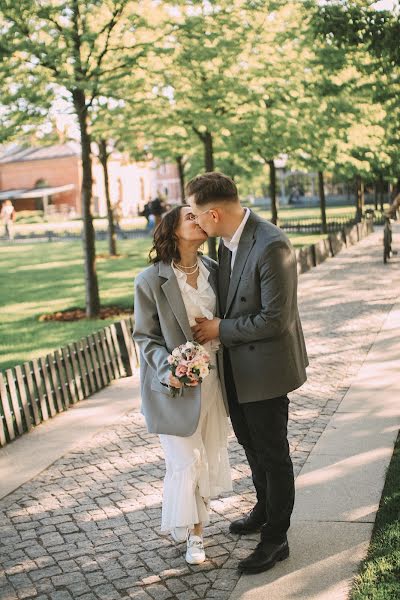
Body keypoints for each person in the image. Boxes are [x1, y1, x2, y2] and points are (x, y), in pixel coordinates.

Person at [188, 172, 308, 575]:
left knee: (273, 454)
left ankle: (277, 539)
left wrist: (219, 329)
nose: (194, 222)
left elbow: (276, 320)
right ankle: (264, 509)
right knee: (252, 447)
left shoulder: (272, 245)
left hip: (266, 372)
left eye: (196, 215)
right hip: (235, 371)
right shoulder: (225, 243)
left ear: (214, 214)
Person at [133, 205, 232, 565]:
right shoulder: (149, 281)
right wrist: (170, 368)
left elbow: (230, 316)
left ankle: (197, 527)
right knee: (186, 459)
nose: (199, 219)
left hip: (213, 383)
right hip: (173, 386)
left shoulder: (216, 271)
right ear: (173, 230)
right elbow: (145, 337)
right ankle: (192, 535)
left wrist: (218, 325)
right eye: (190, 217)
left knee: (204, 456)